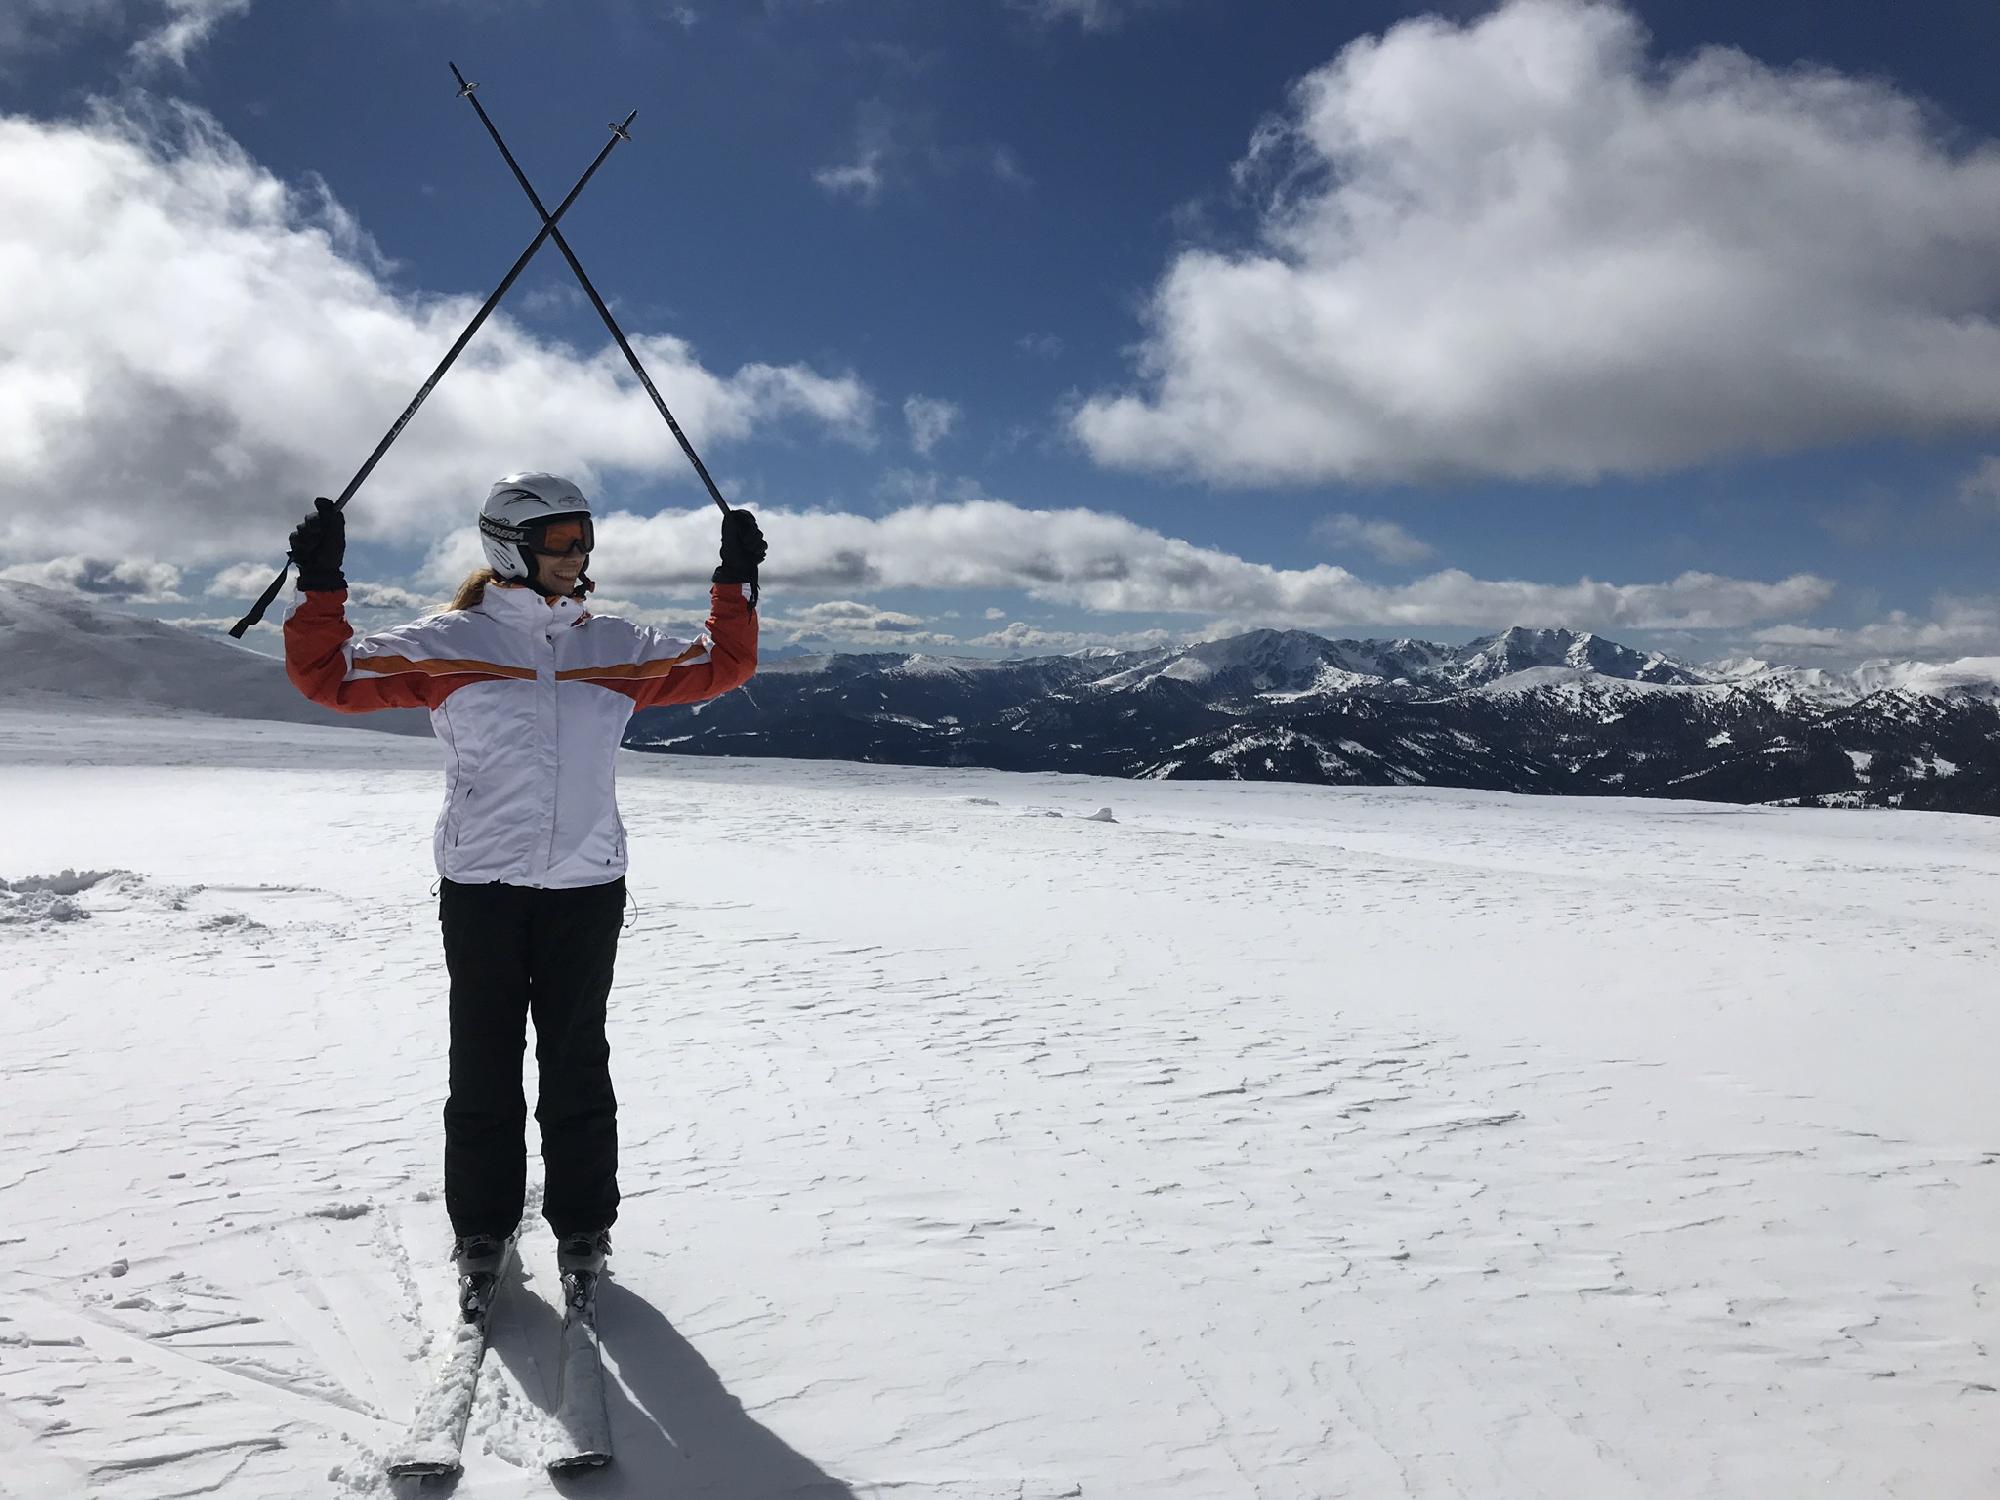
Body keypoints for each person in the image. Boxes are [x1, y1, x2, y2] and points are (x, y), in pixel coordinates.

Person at [282, 474, 765, 1313]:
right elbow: (329, 676)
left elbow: (725, 664)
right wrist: (320, 584)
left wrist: (735, 582)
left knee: (577, 1065)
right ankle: (482, 1229)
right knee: (483, 1067)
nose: (577, 554)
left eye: (584, 537)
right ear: (510, 547)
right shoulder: (449, 643)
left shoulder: (613, 646)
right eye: (560, 540)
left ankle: (583, 1226)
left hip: (585, 887)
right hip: (484, 890)